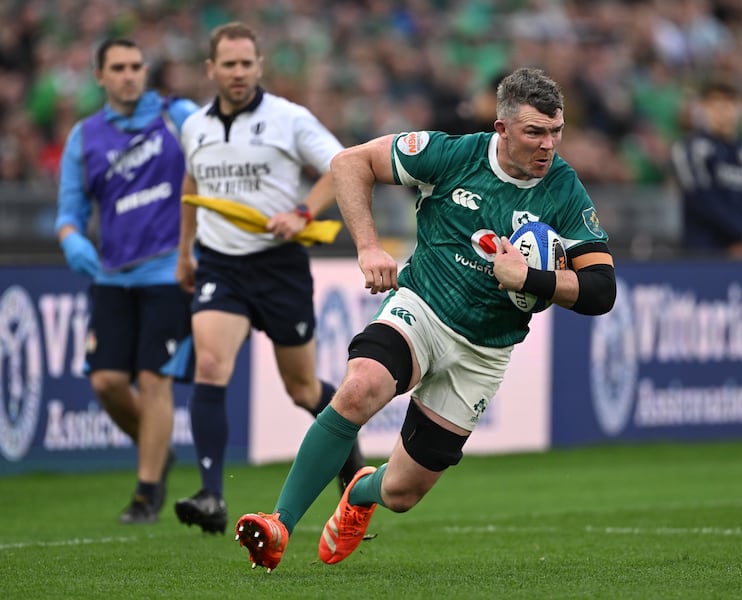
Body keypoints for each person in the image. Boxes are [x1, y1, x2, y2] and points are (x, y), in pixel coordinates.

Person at [233, 67, 617, 571]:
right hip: (424, 308)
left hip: (484, 351)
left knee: (402, 492)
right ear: (501, 130)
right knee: (359, 388)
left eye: (555, 131)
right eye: (534, 132)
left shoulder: (564, 190)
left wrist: (529, 279)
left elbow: (601, 291)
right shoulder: (454, 154)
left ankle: (360, 492)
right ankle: (279, 522)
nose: (548, 145)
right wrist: (368, 246)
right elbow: (350, 163)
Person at [173, 21, 364, 535]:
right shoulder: (194, 126)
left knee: (302, 389)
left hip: (279, 266)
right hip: (219, 264)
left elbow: (341, 165)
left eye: (246, 63)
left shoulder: (289, 118)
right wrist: (185, 252)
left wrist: (302, 213)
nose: (237, 72)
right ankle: (212, 497)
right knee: (210, 365)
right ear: (211, 69)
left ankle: (352, 481)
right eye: (228, 64)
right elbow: (192, 182)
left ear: (259, 65)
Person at [55, 39, 198, 523]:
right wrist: (72, 238)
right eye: (118, 68)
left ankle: (146, 491)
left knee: (155, 380)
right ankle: (157, 450)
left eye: (137, 66)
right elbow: (69, 212)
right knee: (107, 382)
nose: (129, 75)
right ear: (100, 75)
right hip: (112, 276)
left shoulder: (178, 118)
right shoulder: (84, 136)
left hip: (169, 271)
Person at [670, 77, 742, 258]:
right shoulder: (691, 149)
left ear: (740, 107)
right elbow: (702, 200)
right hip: (705, 255)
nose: (722, 110)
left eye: (730, 102)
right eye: (714, 103)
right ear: (703, 108)